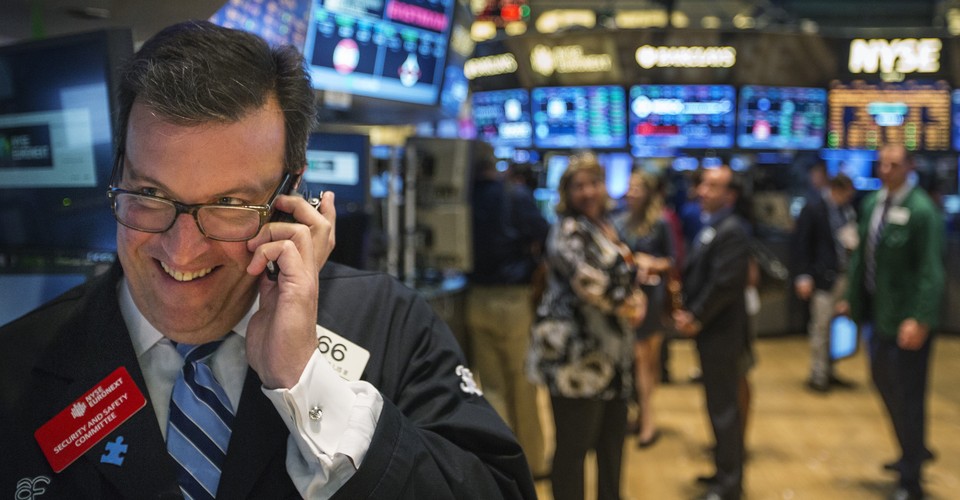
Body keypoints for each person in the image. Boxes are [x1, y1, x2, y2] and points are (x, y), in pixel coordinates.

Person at [0, 21, 536, 500]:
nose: (182, 249)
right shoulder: (18, 362)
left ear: (290, 193)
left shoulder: (389, 321)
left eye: (230, 205)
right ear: (119, 171)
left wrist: (307, 382)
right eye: (150, 195)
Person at [528, 153, 646, 500]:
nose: (588, 192)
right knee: (573, 448)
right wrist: (628, 305)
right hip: (575, 357)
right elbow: (588, 281)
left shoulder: (607, 225)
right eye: (579, 186)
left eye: (594, 183)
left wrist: (636, 296)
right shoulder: (566, 229)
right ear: (567, 192)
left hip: (612, 353)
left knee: (612, 444)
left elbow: (623, 272)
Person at [837, 144, 944, 500]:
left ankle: (912, 479)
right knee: (884, 384)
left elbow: (930, 270)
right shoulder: (873, 203)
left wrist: (920, 317)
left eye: (894, 164)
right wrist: (850, 299)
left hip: (906, 320)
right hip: (877, 315)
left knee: (909, 395)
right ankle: (909, 450)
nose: (886, 170)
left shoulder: (922, 210)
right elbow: (861, 259)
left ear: (910, 167)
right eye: (882, 163)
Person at [467, 155, 550, 478]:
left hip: (475, 298)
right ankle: (534, 465)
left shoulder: (466, 197)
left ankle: (503, 469)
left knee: (492, 389)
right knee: (523, 386)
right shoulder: (515, 196)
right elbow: (547, 236)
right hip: (513, 301)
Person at [673, 165, 750, 500]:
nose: (702, 190)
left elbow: (723, 285)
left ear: (730, 195)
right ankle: (722, 472)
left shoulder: (732, 230)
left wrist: (696, 317)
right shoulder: (712, 224)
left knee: (725, 409)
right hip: (712, 332)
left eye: (713, 186)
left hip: (723, 332)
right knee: (717, 406)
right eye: (703, 184)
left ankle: (730, 485)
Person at [614, 169, 676, 448]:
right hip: (626, 296)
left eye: (637, 187)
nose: (631, 192)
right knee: (634, 361)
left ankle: (647, 420)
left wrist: (650, 262)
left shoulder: (661, 222)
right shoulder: (618, 221)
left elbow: (672, 260)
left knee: (645, 359)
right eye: (630, 187)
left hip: (652, 298)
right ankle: (640, 415)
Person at [792, 173, 858, 393]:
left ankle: (830, 370)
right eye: (846, 194)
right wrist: (803, 276)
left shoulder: (847, 211)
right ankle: (818, 374)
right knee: (821, 327)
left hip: (844, 275)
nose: (848, 198)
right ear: (836, 190)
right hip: (823, 278)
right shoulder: (813, 209)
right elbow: (801, 244)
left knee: (838, 328)